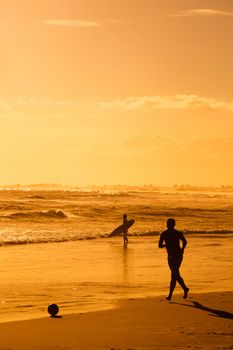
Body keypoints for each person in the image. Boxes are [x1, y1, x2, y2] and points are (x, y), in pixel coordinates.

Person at [158, 218, 189, 301]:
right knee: (176, 275)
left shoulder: (176, 233)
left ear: (173, 225)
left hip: (178, 256)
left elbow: (185, 242)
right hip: (170, 257)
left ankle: (170, 295)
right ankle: (185, 288)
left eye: (170, 224)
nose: (169, 225)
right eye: (168, 224)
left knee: (173, 275)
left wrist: (182, 249)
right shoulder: (164, 234)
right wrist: (166, 245)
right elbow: (160, 245)